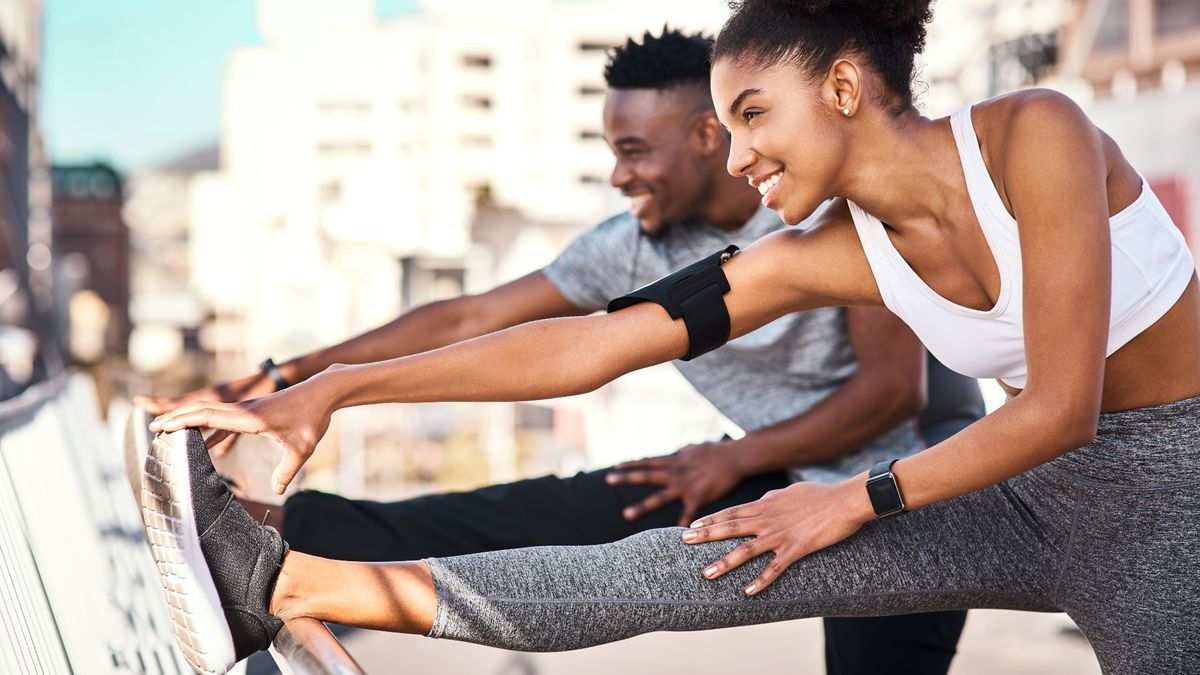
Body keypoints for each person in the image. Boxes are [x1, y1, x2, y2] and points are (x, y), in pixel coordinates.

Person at [143, 1, 1200, 674]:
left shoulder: (1036, 135)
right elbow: (594, 344)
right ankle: (278, 586)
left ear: (841, 87)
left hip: (1169, 497)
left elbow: (1066, 407)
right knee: (669, 572)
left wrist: (848, 495)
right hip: (1002, 498)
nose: (736, 155)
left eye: (751, 114)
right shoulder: (835, 251)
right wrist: (333, 389)